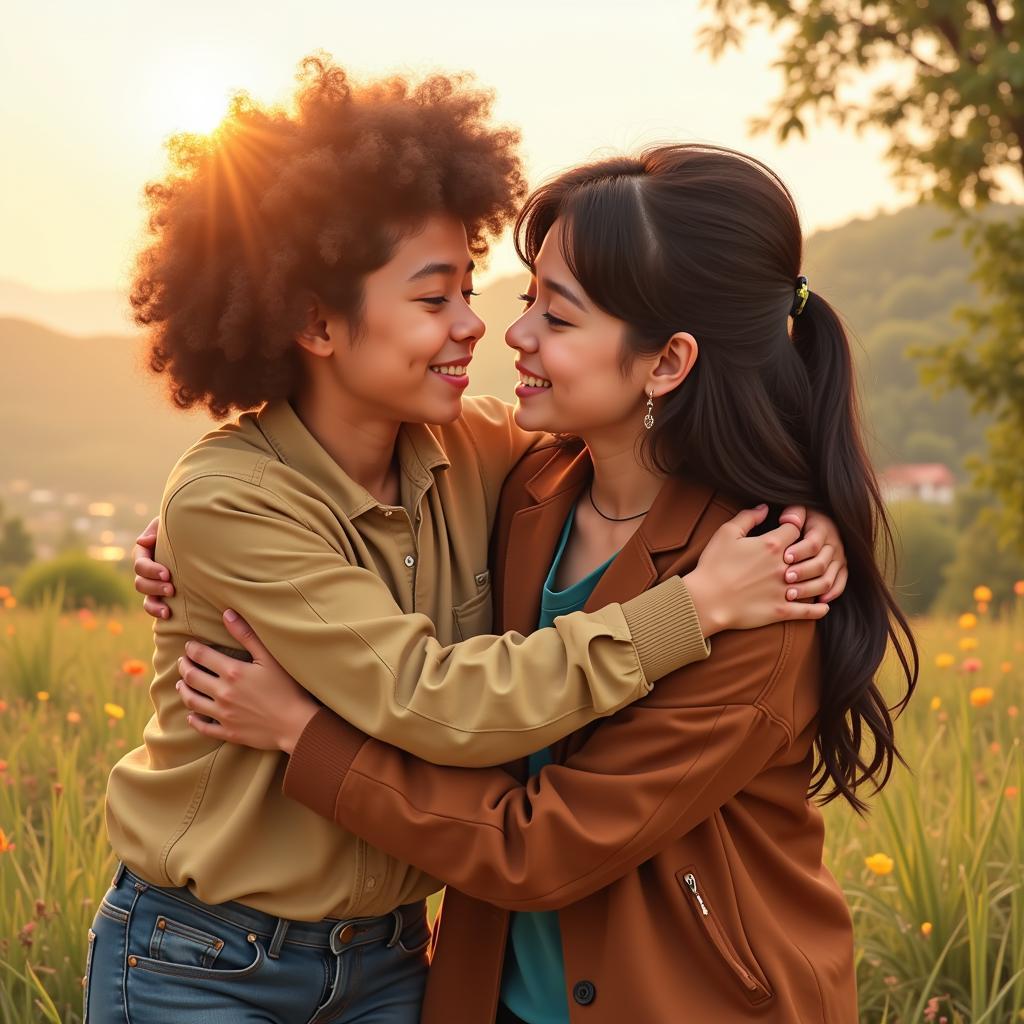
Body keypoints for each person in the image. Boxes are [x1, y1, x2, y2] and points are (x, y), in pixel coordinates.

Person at [95, 58, 845, 1024]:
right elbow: (423, 691)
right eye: (437, 298)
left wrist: (794, 518)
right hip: (207, 958)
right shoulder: (495, 485)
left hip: (419, 965)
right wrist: (188, 530)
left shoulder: (500, 459)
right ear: (316, 321)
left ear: (666, 360)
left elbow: (531, 834)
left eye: (541, 306)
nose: (490, 327)